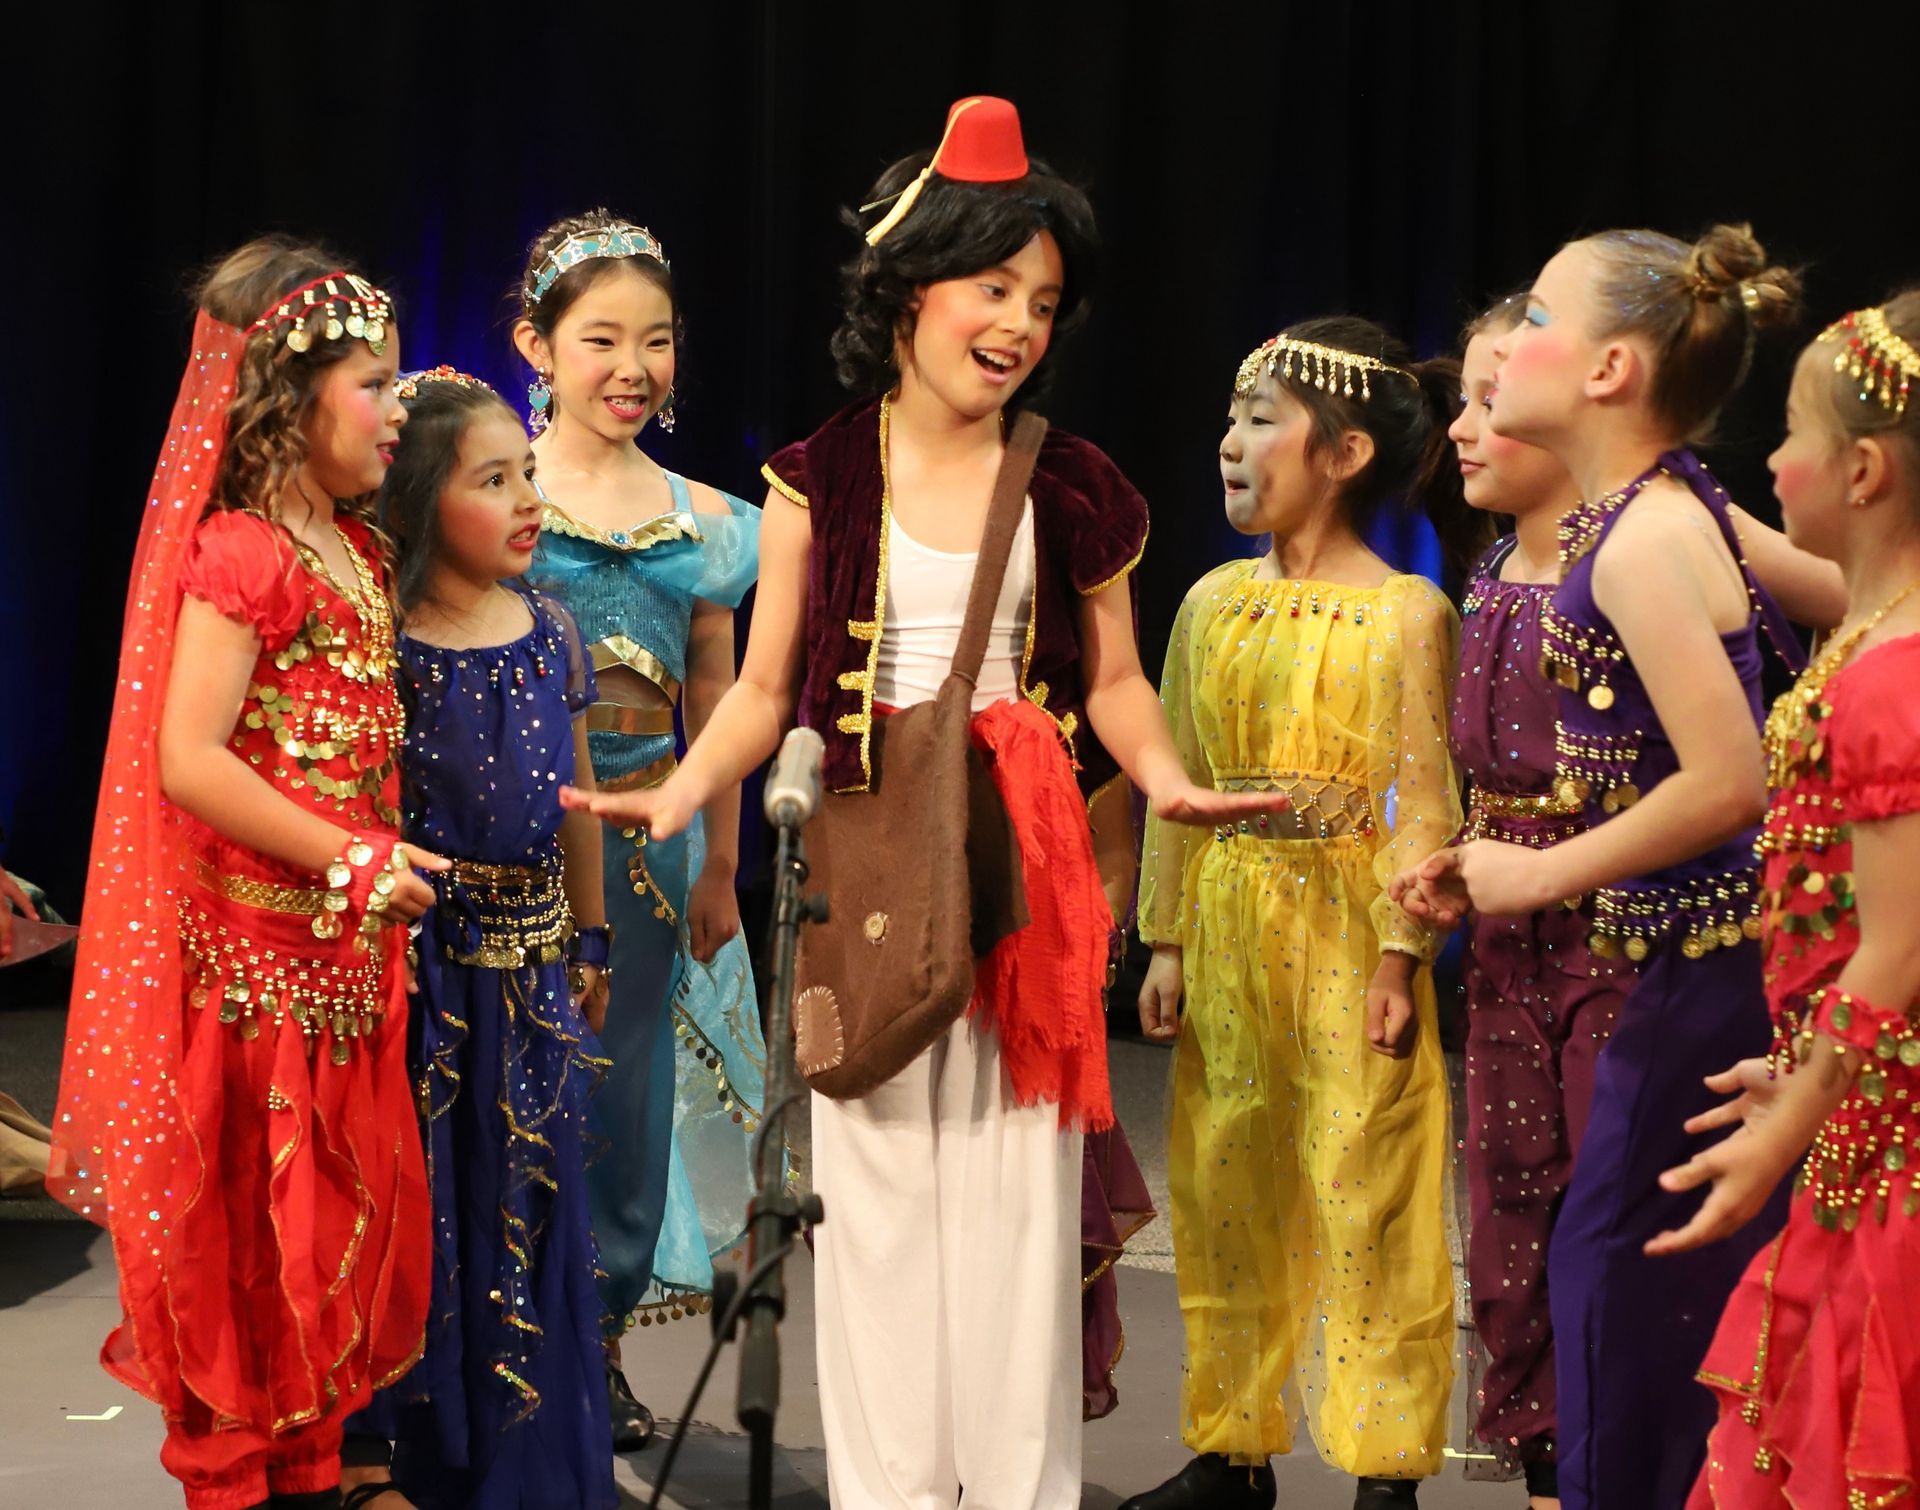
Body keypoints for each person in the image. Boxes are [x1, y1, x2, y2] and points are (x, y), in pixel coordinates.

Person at [565, 95, 1280, 1509]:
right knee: (878, 1201)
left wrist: (1171, 778)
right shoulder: (817, 474)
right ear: (908, 289)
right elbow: (765, 689)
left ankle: (1017, 1491)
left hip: (1023, 868)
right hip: (867, 862)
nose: (1019, 322)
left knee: (1015, 1202)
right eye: (993, 287)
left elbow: (1122, 682)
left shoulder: (1073, 479)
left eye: (1045, 300)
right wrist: (683, 793)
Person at [1397, 224, 1805, 1510]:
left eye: (1536, 326)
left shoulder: (1640, 539)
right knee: (1588, 1269)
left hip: (1675, 977)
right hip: (1641, 964)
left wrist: (1538, 872)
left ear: (1612, 371)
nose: (1506, 347)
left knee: (1627, 1289)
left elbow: (1727, 779)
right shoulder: (1648, 517)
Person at [47, 237, 436, 1510]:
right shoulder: (245, 554)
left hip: (341, 960)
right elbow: (190, 762)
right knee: (242, 1238)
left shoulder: (359, 553)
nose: (402, 406)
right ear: (286, 393)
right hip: (248, 974)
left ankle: (314, 1466)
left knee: (331, 1229)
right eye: (375, 384)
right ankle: (234, 1479)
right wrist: (356, 852)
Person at [1128, 319, 1474, 1510]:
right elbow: (1175, 774)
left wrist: (1400, 947)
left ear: (1342, 452)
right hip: (1232, 910)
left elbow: (1425, 796)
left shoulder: (1407, 613)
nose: (1230, 444)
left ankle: (1384, 1468)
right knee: (1227, 1176)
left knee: (1363, 1178)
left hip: (1346, 916)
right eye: (1231, 418)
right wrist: (1166, 936)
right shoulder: (1212, 602)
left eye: (1261, 419)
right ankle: (1232, 1449)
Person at [1648, 293, 1920, 1509]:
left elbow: (1904, 943)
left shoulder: (1893, 681)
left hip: (1884, 1148)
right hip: (1869, 1104)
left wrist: (1797, 1109)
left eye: (1791, 432)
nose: (1769, 458)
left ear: (1861, 469)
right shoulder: (1873, 640)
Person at [335, 368, 614, 1510]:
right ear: (415, 498)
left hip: (538, 968)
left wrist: (593, 937)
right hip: (424, 977)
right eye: (492, 479)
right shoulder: (385, 640)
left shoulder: (552, 628)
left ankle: (525, 1450)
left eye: (529, 474)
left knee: (532, 1190)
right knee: (432, 1202)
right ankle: (408, 1450)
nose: (526, 499)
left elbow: (580, 794)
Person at [514, 212, 768, 1448]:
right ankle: (497, 1345)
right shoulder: (488, 496)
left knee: (623, 1105)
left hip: (656, 839)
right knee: (513, 1084)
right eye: (601, 338)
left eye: (655, 341)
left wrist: (721, 858)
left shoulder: (711, 519)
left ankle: (598, 1345)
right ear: (537, 346)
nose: (632, 365)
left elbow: (719, 696)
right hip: (514, 831)